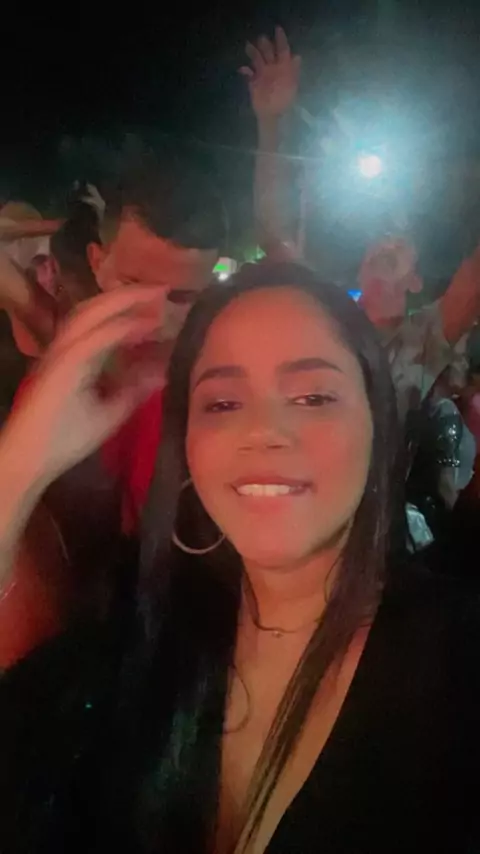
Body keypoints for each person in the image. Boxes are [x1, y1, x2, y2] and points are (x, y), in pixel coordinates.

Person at [0, 261, 478, 853]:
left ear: (377, 422)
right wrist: (19, 467)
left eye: (313, 396)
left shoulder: (458, 661)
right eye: (223, 403)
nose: (264, 431)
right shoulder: (139, 630)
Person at [0, 152, 226, 668]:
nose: (156, 317)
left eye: (182, 297)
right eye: (134, 288)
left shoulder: (220, 396)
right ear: (97, 262)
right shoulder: (54, 386)